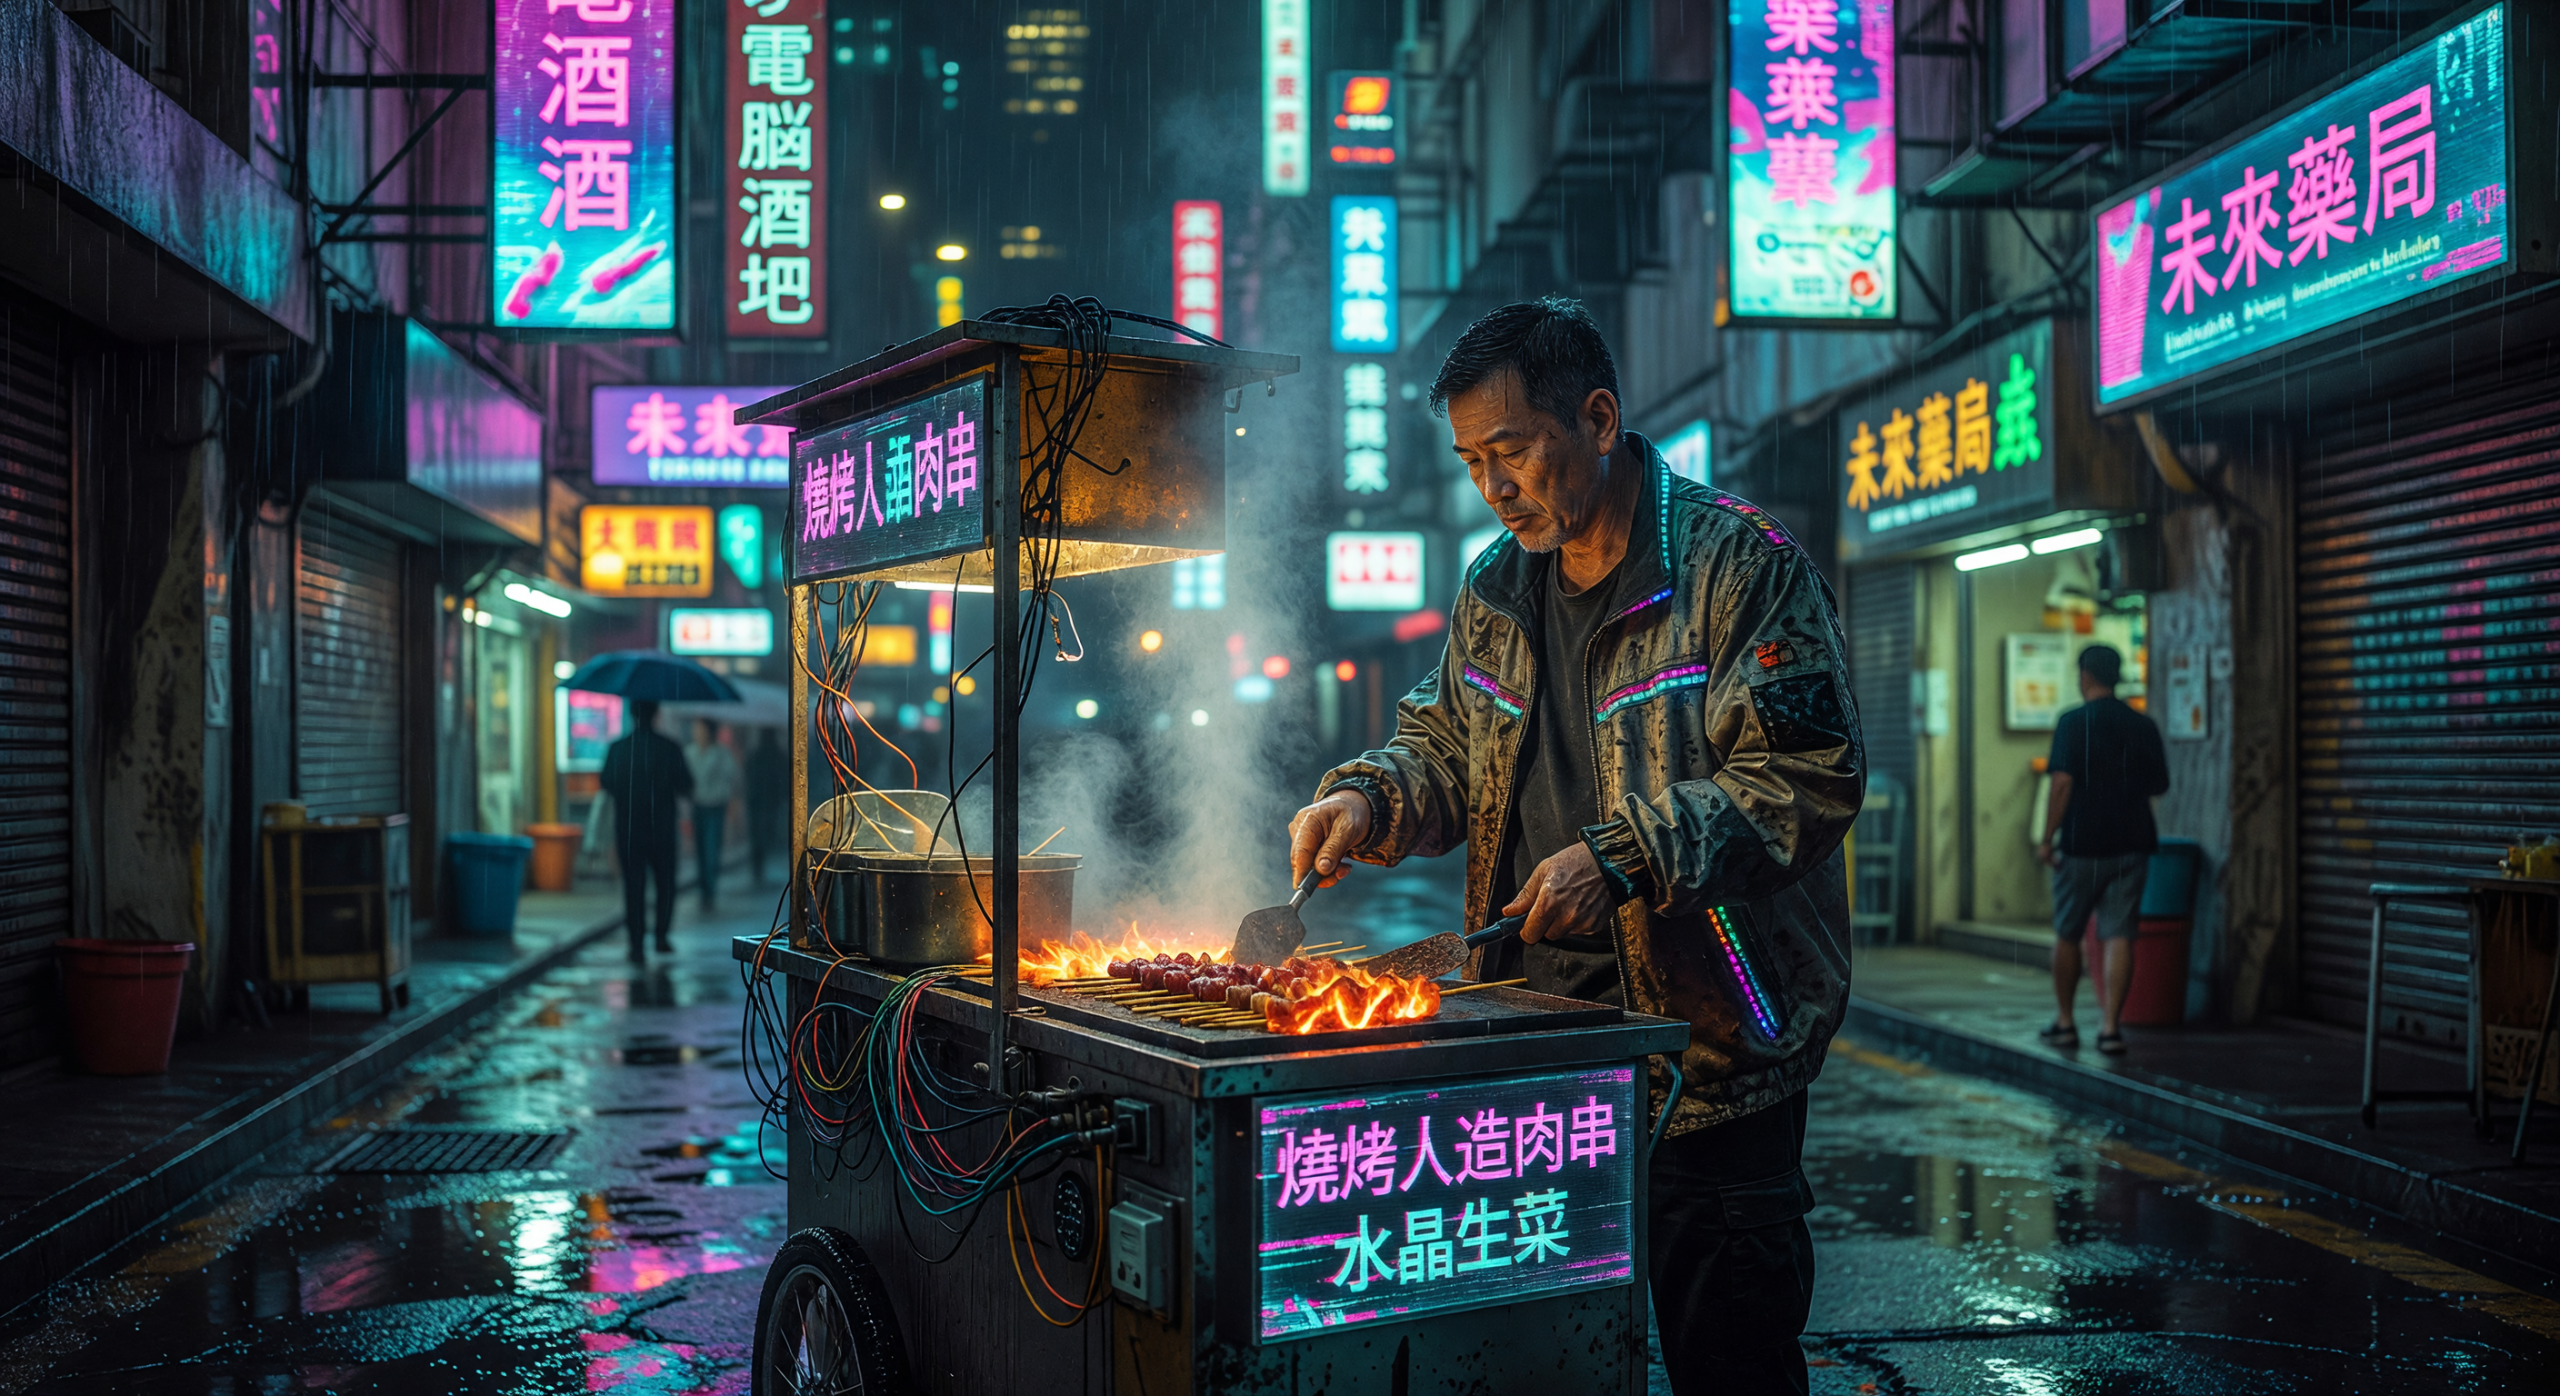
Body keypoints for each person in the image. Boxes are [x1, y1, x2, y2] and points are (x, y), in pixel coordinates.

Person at [1287, 299, 1862, 1396]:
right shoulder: (1495, 591)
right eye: (1470, 461)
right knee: (1535, 1361)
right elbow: (1445, 747)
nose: (1492, 487)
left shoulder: (1735, 567)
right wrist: (1365, 799)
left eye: (1511, 450)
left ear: (1597, 418)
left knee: (1727, 1358)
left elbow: (1806, 776)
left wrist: (1625, 855)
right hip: (1537, 1051)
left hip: (1710, 1058)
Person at [2036, 644, 2170, 1056]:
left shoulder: (2073, 723)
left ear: (2086, 676)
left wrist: (2047, 837)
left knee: (2068, 932)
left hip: (2083, 844)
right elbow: (2159, 784)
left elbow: (2061, 783)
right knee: (2119, 934)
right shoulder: (2142, 724)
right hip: (2132, 842)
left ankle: (2065, 1021)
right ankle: (2110, 1027)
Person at [600, 699, 692, 963]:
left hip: (629, 829)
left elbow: (605, 782)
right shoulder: (669, 748)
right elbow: (686, 784)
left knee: (633, 886)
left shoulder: (618, 748)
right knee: (665, 885)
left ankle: (636, 943)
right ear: (656, 715)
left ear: (631, 715)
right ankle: (661, 936)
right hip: (661, 828)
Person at [686, 720, 742, 911]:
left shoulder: (721, 753)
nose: (697, 733)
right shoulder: (690, 753)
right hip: (698, 806)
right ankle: (704, 889)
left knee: (711, 849)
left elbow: (733, 776)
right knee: (700, 850)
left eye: (700, 730)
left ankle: (710, 890)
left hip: (715, 806)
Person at [745, 728, 789, 885]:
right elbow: (784, 778)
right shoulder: (778, 755)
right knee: (766, 832)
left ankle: (758, 867)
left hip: (756, 801)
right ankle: (760, 863)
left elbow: (749, 776)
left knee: (757, 835)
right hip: (770, 801)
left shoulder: (755, 755)